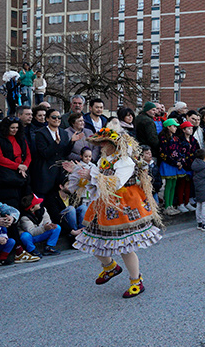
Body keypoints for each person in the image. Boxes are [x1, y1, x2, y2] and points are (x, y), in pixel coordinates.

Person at [63, 120, 163, 298]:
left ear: (113, 144)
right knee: (92, 240)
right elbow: (95, 180)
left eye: (104, 142)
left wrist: (92, 175)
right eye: (100, 142)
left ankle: (136, 280)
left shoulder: (125, 160)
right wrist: (80, 172)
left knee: (125, 246)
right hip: (103, 204)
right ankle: (110, 267)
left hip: (122, 205)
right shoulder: (104, 159)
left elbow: (116, 183)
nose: (101, 145)